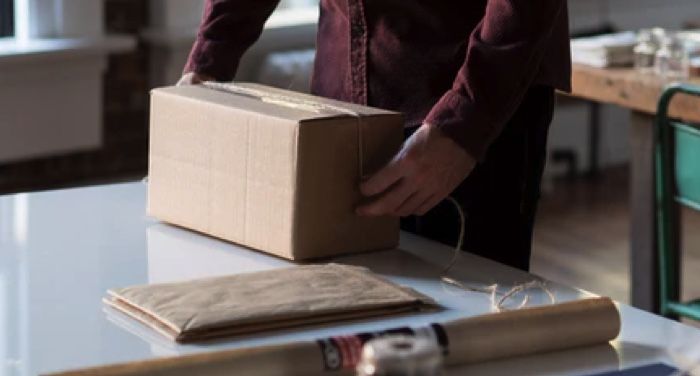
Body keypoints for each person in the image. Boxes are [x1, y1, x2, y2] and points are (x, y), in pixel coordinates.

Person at [179, 0, 571, 271]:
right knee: (347, 320)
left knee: (473, 335)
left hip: (470, 110)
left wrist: (464, 123)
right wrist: (207, 64)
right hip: (340, 109)